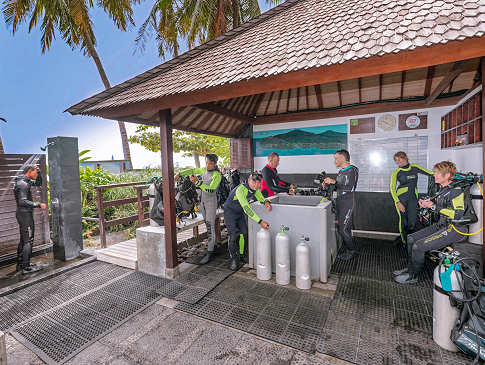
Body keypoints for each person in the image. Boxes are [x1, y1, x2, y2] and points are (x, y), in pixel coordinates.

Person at [394, 161, 468, 285]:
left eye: (437, 173)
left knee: (419, 246)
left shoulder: (456, 191)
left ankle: (413, 276)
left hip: (455, 229)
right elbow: (438, 205)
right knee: (411, 238)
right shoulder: (443, 189)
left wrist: (433, 206)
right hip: (442, 225)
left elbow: (457, 215)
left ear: (447, 175)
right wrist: (426, 203)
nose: (434, 175)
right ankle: (410, 268)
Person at [175, 154, 222, 264]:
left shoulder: (217, 175)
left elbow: (211, 190)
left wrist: (197, 182)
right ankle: (213, 246)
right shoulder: (203, 170)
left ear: (215, 164)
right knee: (207, 224)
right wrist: (179, 174)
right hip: (203, 202)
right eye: (206, 163)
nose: (207, 165)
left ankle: (210, 251)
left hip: (211, 202)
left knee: (210, 225)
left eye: (210, 163)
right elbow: (192, 169)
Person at [224, 172, 272, 270]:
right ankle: (234, 258)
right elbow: (247, 209)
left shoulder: (255, 189)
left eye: (259, 183)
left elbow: (261, 198)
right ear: (249, 180)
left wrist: (266, 202)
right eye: (254, 182)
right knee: (233, 235)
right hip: (230, 212)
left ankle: (242, 255)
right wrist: (260, 221)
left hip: (240, 212)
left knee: (245, 233)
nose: (257, 185)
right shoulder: (241, 190)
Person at [322, 149, 359, 261]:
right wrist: (328, 185)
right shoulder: (341, 171)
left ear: (343, 158)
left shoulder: (352, 170)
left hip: (348, 203)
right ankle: (348, 248)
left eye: (336, 158)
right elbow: (339, 187)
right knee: (341, 228)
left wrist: (334, 182)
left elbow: (350, 186)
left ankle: (352, 251)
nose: (335, 161)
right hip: (340, 202)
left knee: (343, 229)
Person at [390, 152, 433, 246]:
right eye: (396, 160)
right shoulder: (396, 172)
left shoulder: (414, 167)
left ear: (405, 158)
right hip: (401, 199)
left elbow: (431, 173)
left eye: (399, 159)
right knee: (403, 221)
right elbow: (392, 188)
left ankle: (410, 239)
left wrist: (447, 174)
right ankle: (404, 241)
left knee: (412, 222)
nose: (398, 162)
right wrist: (397, 202)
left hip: (413, 198)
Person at [14, 165, 47, 274]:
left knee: (24, 240)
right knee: (28, 240)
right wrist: (38, 205)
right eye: (35, 173)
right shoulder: (23, 184)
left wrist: (40, 171)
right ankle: (26, 267)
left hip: (23, 215)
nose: (36, 175)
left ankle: (21, 263)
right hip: (25, 216)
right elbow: (22, 201)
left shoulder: (25, 181)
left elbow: (38, 183)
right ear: (30, 171)